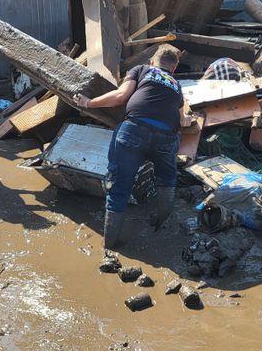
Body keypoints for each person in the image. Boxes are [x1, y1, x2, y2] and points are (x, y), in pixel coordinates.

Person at [73, 48, 192, 250]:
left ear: (153, 61)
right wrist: (188, 120)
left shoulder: (142, 69)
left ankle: (109, 247)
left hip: (134, 130)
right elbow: (182, 120)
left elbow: (121, 96)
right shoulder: (176, 86)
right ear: (174, 68)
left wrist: (88, 103)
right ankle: (158, 227)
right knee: (167, 181)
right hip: (166, 137)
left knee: (119, 187)